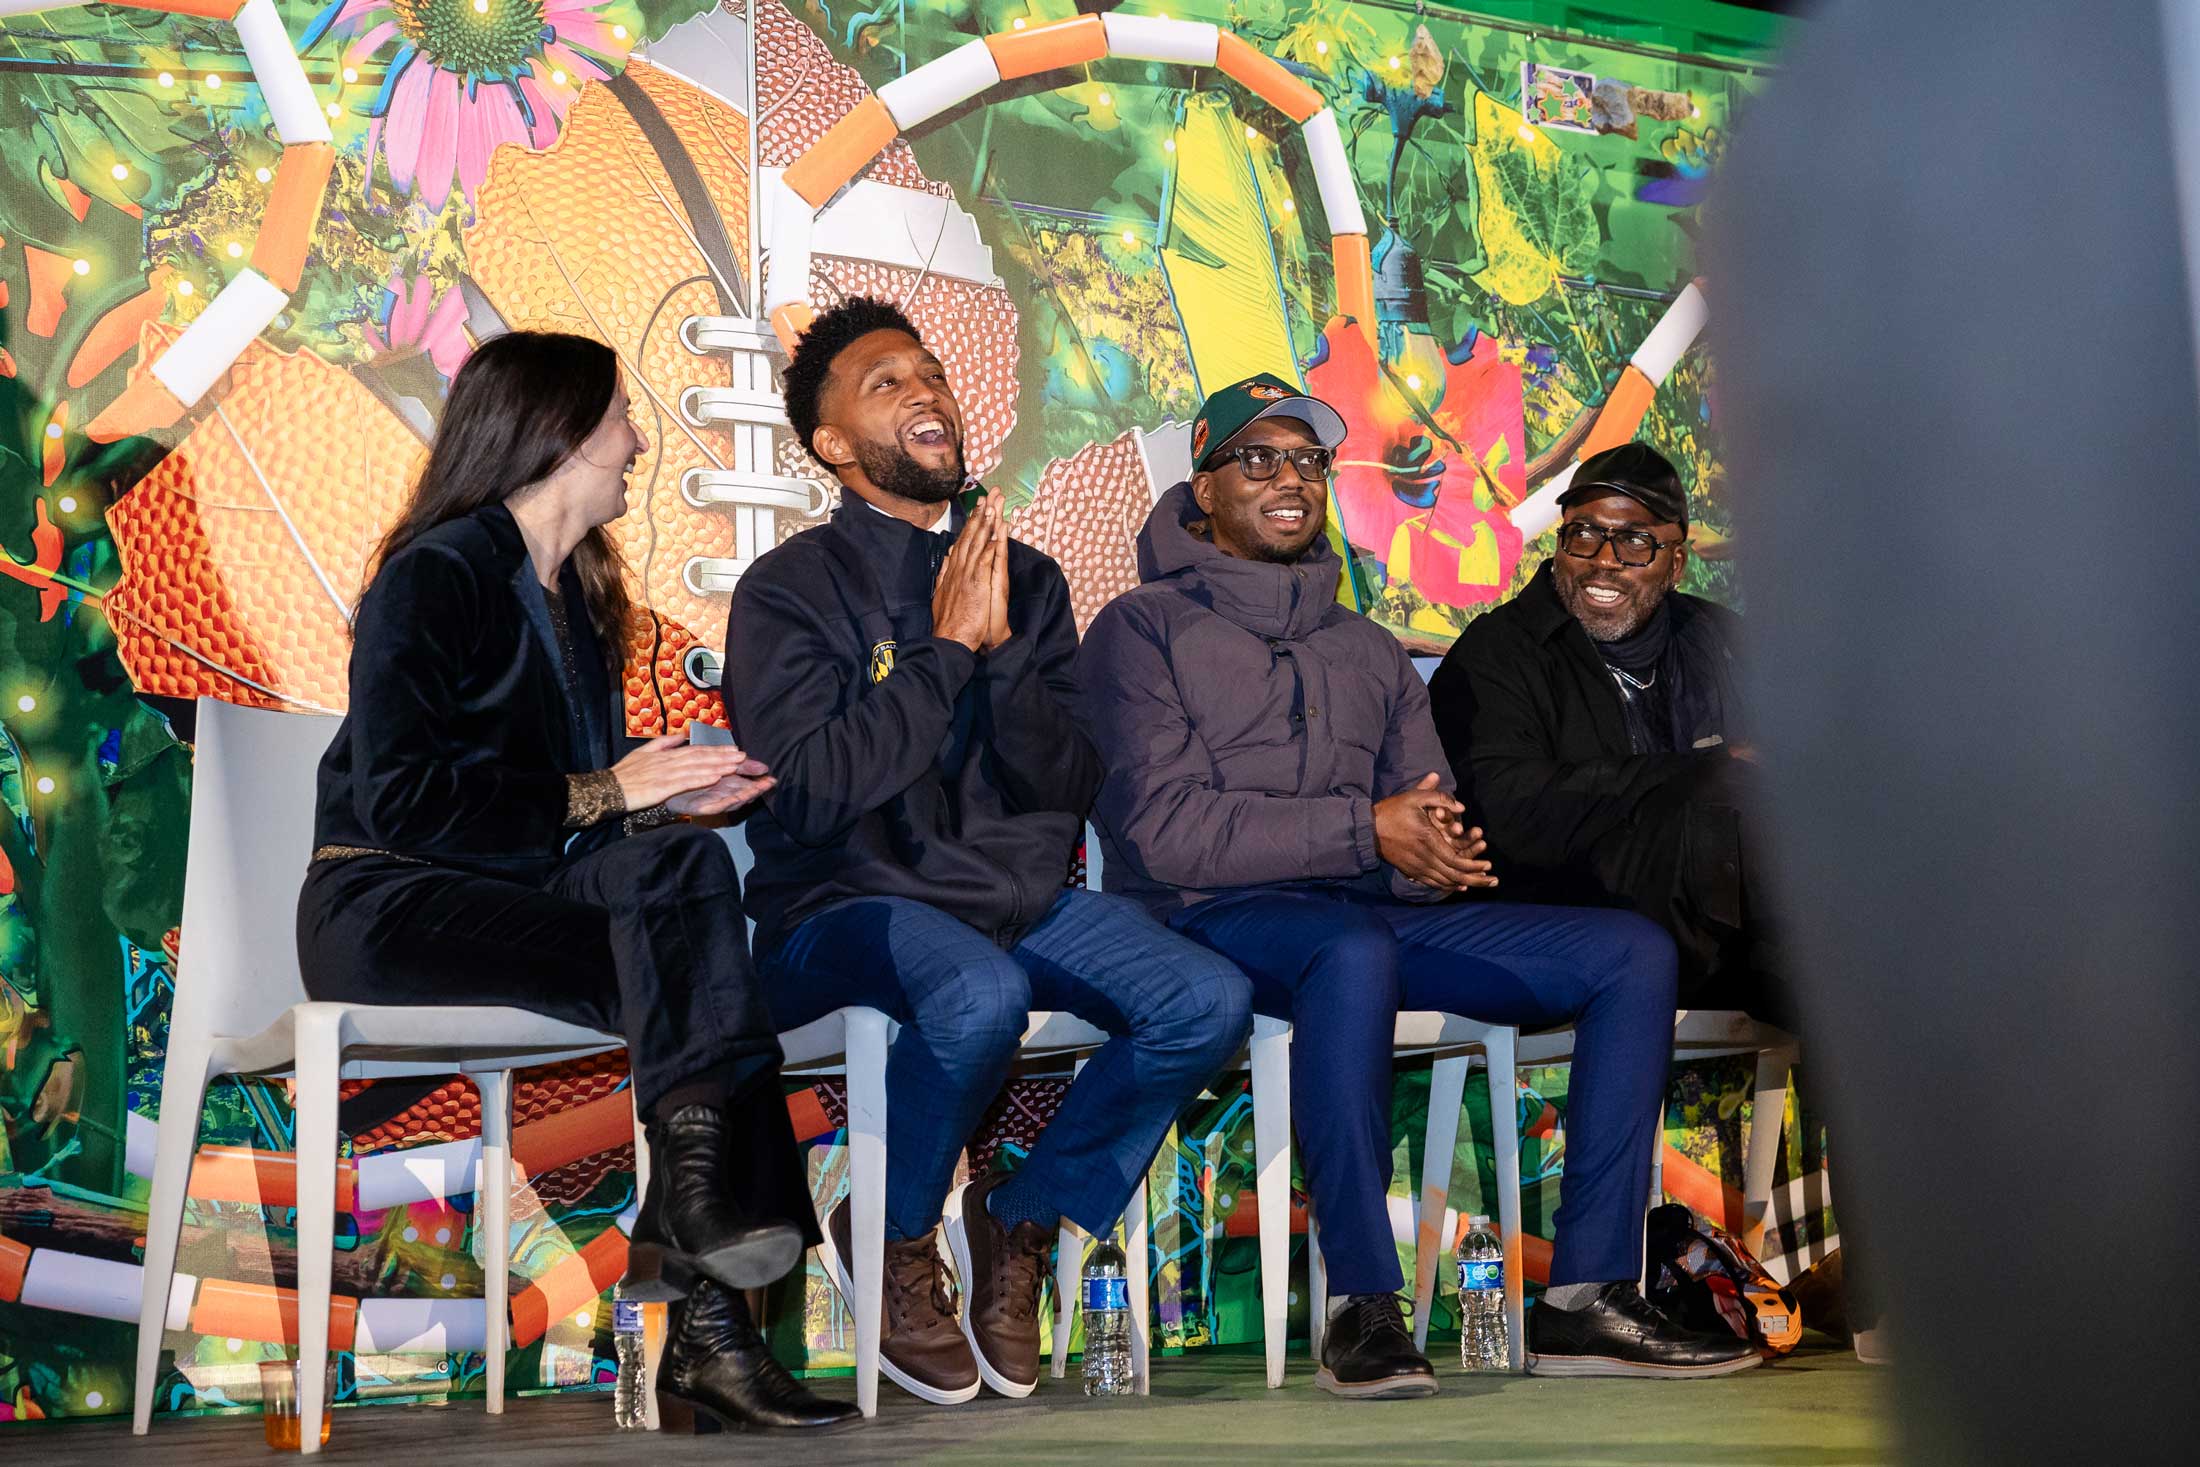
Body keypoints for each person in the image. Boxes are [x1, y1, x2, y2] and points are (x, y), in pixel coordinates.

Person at [1077, 376, 1759, 1389]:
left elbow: (1420, 807)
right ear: (1204, 488)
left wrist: (1436, 859)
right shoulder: (1139, 629)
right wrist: (1368, 831)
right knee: (1347, 954)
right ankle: (1362, 1303)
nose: (1291, 479)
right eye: (1257, 459)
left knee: (1628, 951)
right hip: (1208, 918)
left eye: (1308, 461)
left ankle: (1586, 1296)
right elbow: (1166, 832)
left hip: (1363, 910)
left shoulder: (1366, 648)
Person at [297, 330, 856, 1433]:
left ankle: (695, 1267)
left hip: (517, 900)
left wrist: (652, 805)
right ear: (551, 432)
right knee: (696, 962)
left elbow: (579, 830)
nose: (640, 443)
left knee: (688, 900)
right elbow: (410, 802)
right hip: (386, 900)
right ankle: (703, 1283)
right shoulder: (435, 573)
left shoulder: (582, 602)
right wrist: (606, 792)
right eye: (618, 421)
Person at [725, 297, 1252, 1406]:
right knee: (977, 993)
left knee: (1203, 1000)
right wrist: (945, 651)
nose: (924, 391)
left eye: (930, 374)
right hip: (839, 910)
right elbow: (818, 793)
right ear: (830, 447)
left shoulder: (1032, 581)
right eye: (885, 383)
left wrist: (1000, 652)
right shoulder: (788, 591)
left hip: (1007, 903)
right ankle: (896, 1231)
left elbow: (1062, 785)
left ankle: (1017, 1220)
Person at [1426, 443, 1772, 1015]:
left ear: (1677, 562)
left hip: (1727, 930)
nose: (1604, 560)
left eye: (1635, 541)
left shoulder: (1722, 641)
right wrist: (1698, 773)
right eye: (1583, 535)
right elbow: (1504, 815)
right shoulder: (1500, 652)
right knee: (1728, 792)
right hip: (1567, 912)